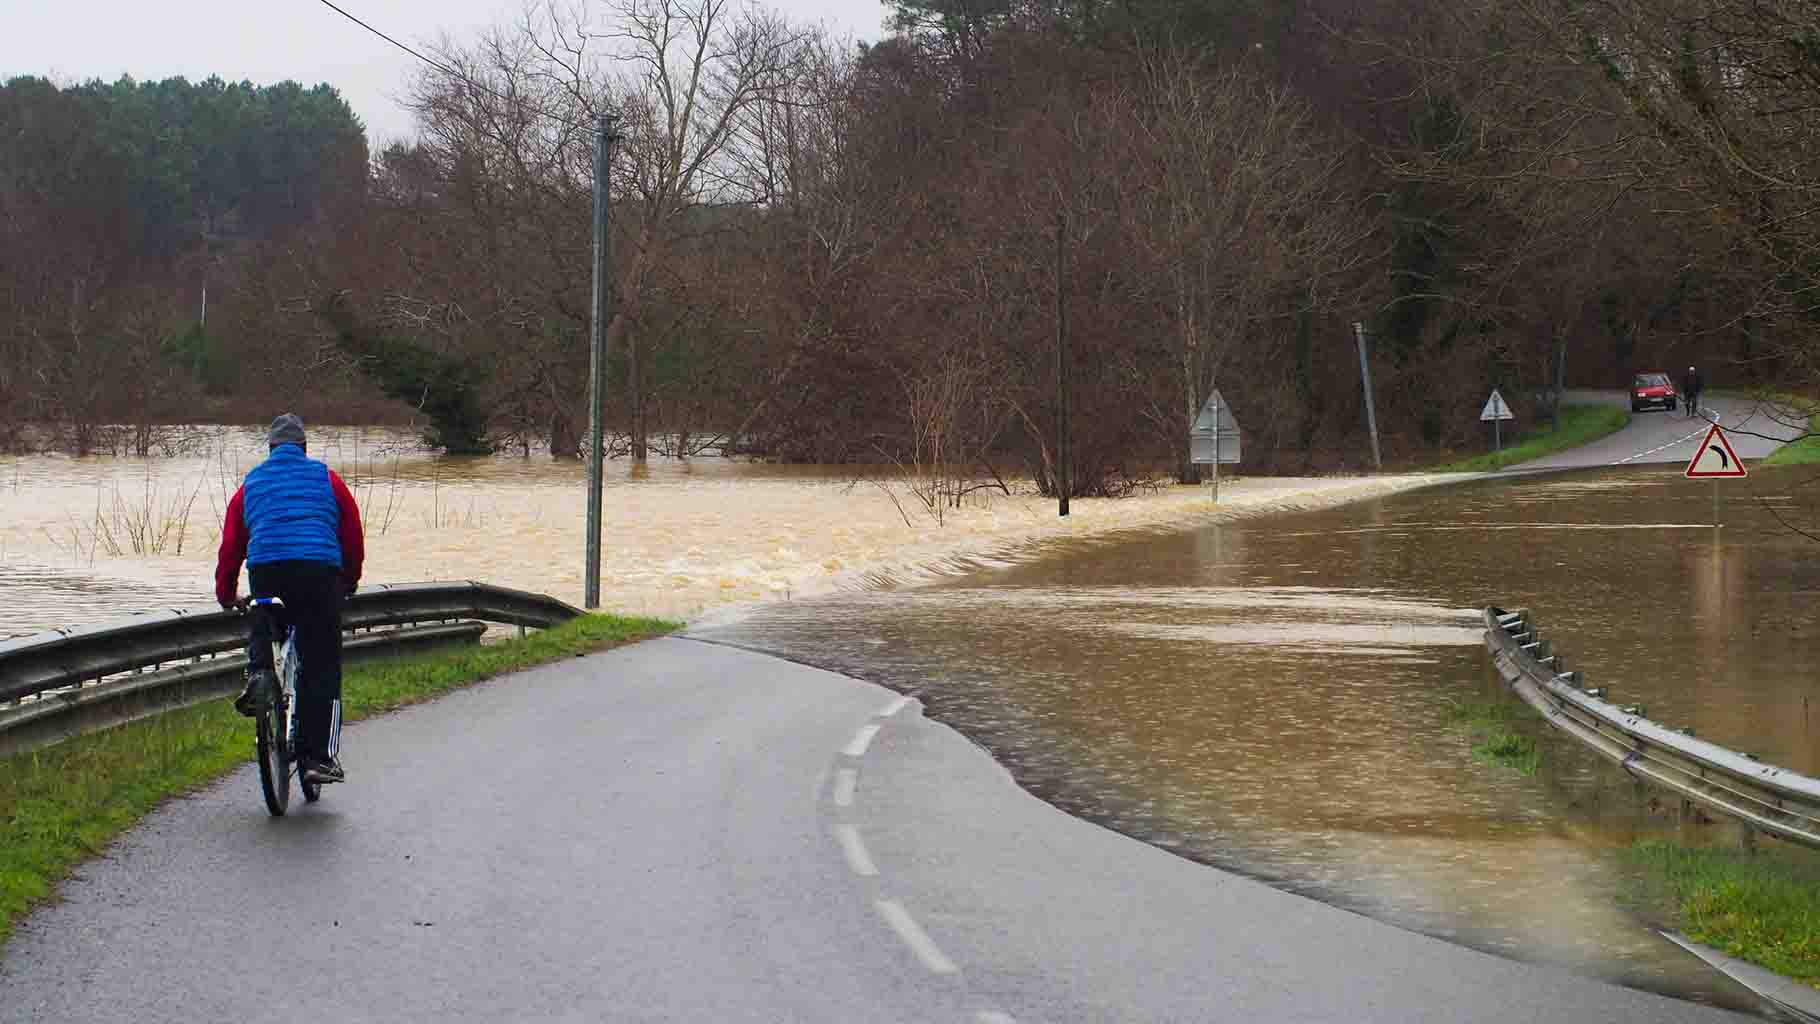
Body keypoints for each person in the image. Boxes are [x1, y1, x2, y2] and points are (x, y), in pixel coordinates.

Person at [215, 414, 365, 784]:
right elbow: (352, 533)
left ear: (270, 449)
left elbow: (232, 545)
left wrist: (226, 594)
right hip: (318, 573)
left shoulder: (251, 483)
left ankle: (259, 674)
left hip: (267, 570)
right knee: (322, 665)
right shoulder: (327, 479)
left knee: (263, 615)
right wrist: (349, 580)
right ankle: (318, 759)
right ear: (304, 448)